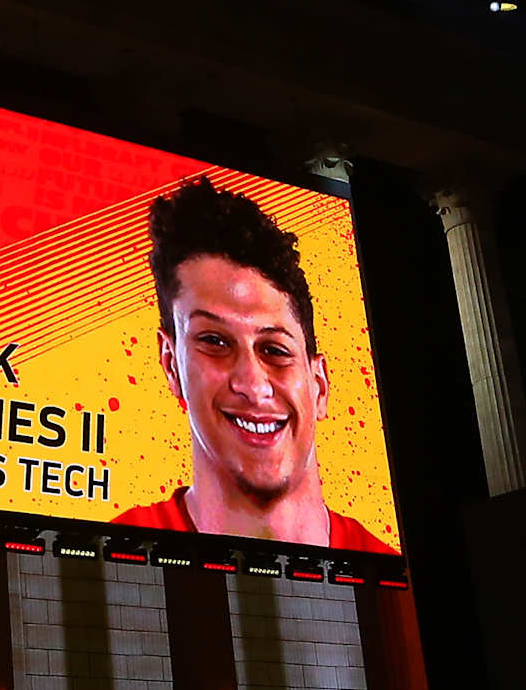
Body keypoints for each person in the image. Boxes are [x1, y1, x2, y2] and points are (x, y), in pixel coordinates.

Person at [111, 178, 395, 554]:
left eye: (275, 350)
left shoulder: (389, 574)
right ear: (170, 364)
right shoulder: (116, 552)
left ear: (320, 385)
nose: (252, 384)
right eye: (214, 342)